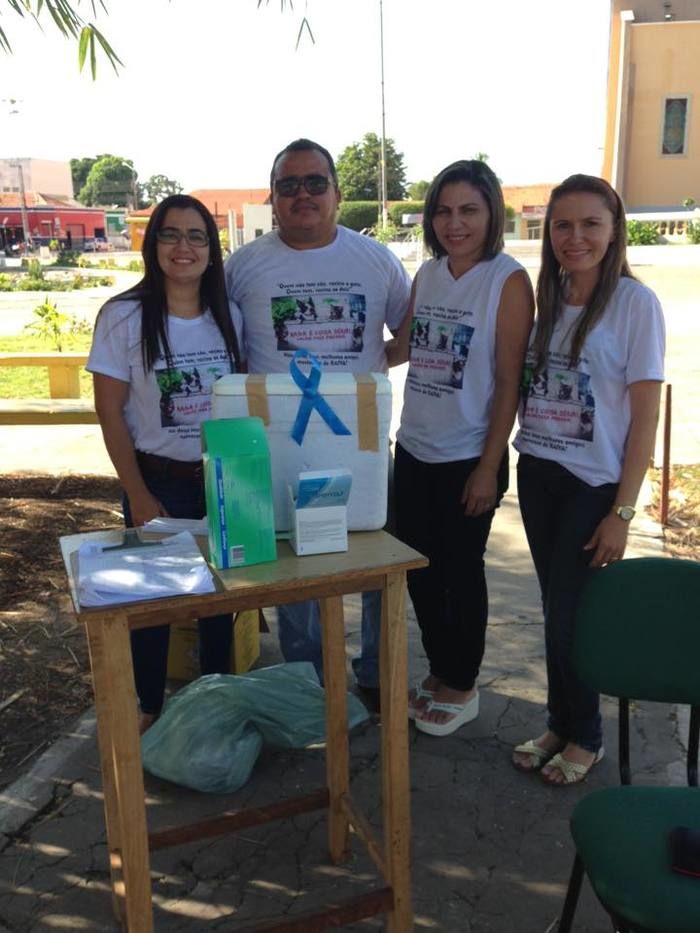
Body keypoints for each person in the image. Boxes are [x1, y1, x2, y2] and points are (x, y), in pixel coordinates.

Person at [225, 138, 411, 708]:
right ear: (274, 198)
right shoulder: (244, 266)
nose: (302, 194)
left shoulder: (375, 259)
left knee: (377, 562)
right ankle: (310, 683)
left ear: (336, 192)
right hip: (280, 445)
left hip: (359, 443)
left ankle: (377, 675)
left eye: (314, 183)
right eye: (288, 185)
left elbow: (407, 333)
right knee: (295, 572)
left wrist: (360, 377)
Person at [511, 174, 665, 784]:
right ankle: (560, 722)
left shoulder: (634, 304)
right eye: (562, 225)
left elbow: (646, 415)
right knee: (554, 607)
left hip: (592, 483)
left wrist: (622, 513)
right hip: (538, 471)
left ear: (613, 230)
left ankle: (588, 736)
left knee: (573, 614)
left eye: (589, 224)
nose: (575, 237)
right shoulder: (547, 298)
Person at [389, 159, 534, 737]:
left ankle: (463, 683)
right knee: (419, 572)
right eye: (444, 211)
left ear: (491, 212)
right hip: (415, 449)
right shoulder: (428, 274)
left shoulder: (507, 280)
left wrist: (488, 467)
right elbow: (403, 348)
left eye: (468, 210)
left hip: (469, 458)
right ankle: (442, 669)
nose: (455, 223)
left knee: (458, 572)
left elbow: (508, 381)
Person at [87, 194, 242, 732]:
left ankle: (217, 701)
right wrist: (138, 493)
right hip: (156, 480)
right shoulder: (123, 317)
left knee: (220, 602)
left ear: (211, 249)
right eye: (171, 235)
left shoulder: (231, 317)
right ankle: (148, 708)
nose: (184, 247)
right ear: (153, 246)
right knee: (151, 607)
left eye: (197, 236)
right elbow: (109, 412)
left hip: (221, 478)